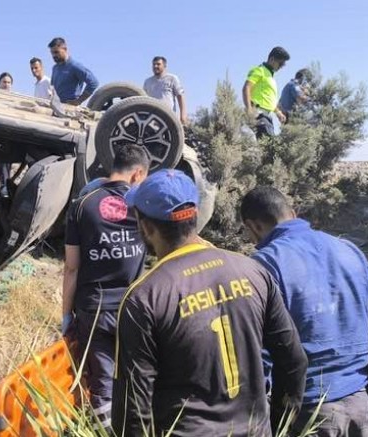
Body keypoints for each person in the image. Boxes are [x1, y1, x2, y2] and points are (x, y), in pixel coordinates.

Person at [113, 170, 307, 437]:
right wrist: (276, 426)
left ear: (146, 227)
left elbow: (133, 409)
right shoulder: (253, 272)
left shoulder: (144, 297)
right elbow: (294, 361)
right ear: (194, 216)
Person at [241, 186, 368, 437]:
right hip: (361, 404)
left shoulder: (264, 264)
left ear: (253, 226)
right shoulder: (348, 249)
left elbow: (259, 350)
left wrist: (254, 414)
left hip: (307, 412)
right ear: (293, 213)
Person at [62, 143, 150, 430]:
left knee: (102, 382)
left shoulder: (81, 205)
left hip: (94, 310)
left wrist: (66, 315)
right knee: (135, 377)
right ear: (138, 174)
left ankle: (103, 431)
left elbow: (71, 267)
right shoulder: (144, 207)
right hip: (133, 309)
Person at [243, 46, 290, 138]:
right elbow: (246, 88)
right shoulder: (259, 70)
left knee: (268, 143)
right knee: (268, 143)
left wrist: (278, 112)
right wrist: (249, 109)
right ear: (272, 59)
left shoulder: (270, 77)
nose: (281, 67)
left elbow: (268, 99)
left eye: (283, 64)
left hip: (267, 116)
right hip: (258, 113)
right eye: (280, 63)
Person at [48, 37, 99, 105]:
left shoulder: (74, 66)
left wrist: (79, 100)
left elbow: (93, 82)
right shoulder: (55, 68)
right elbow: (52, 87)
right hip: (57, 106)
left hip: (70, 108)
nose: (54, 55)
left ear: (65, 49)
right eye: (52, 53)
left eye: (56, 52)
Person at [143, 56, 187, 123]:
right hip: (151, 119)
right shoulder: (147, 81)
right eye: (154, 64)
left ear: (164, 65)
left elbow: (180, 96)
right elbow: (143, 98)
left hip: (168, 117)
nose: (155, 66)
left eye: (158, 64)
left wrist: (183, 116)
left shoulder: (172, 78)